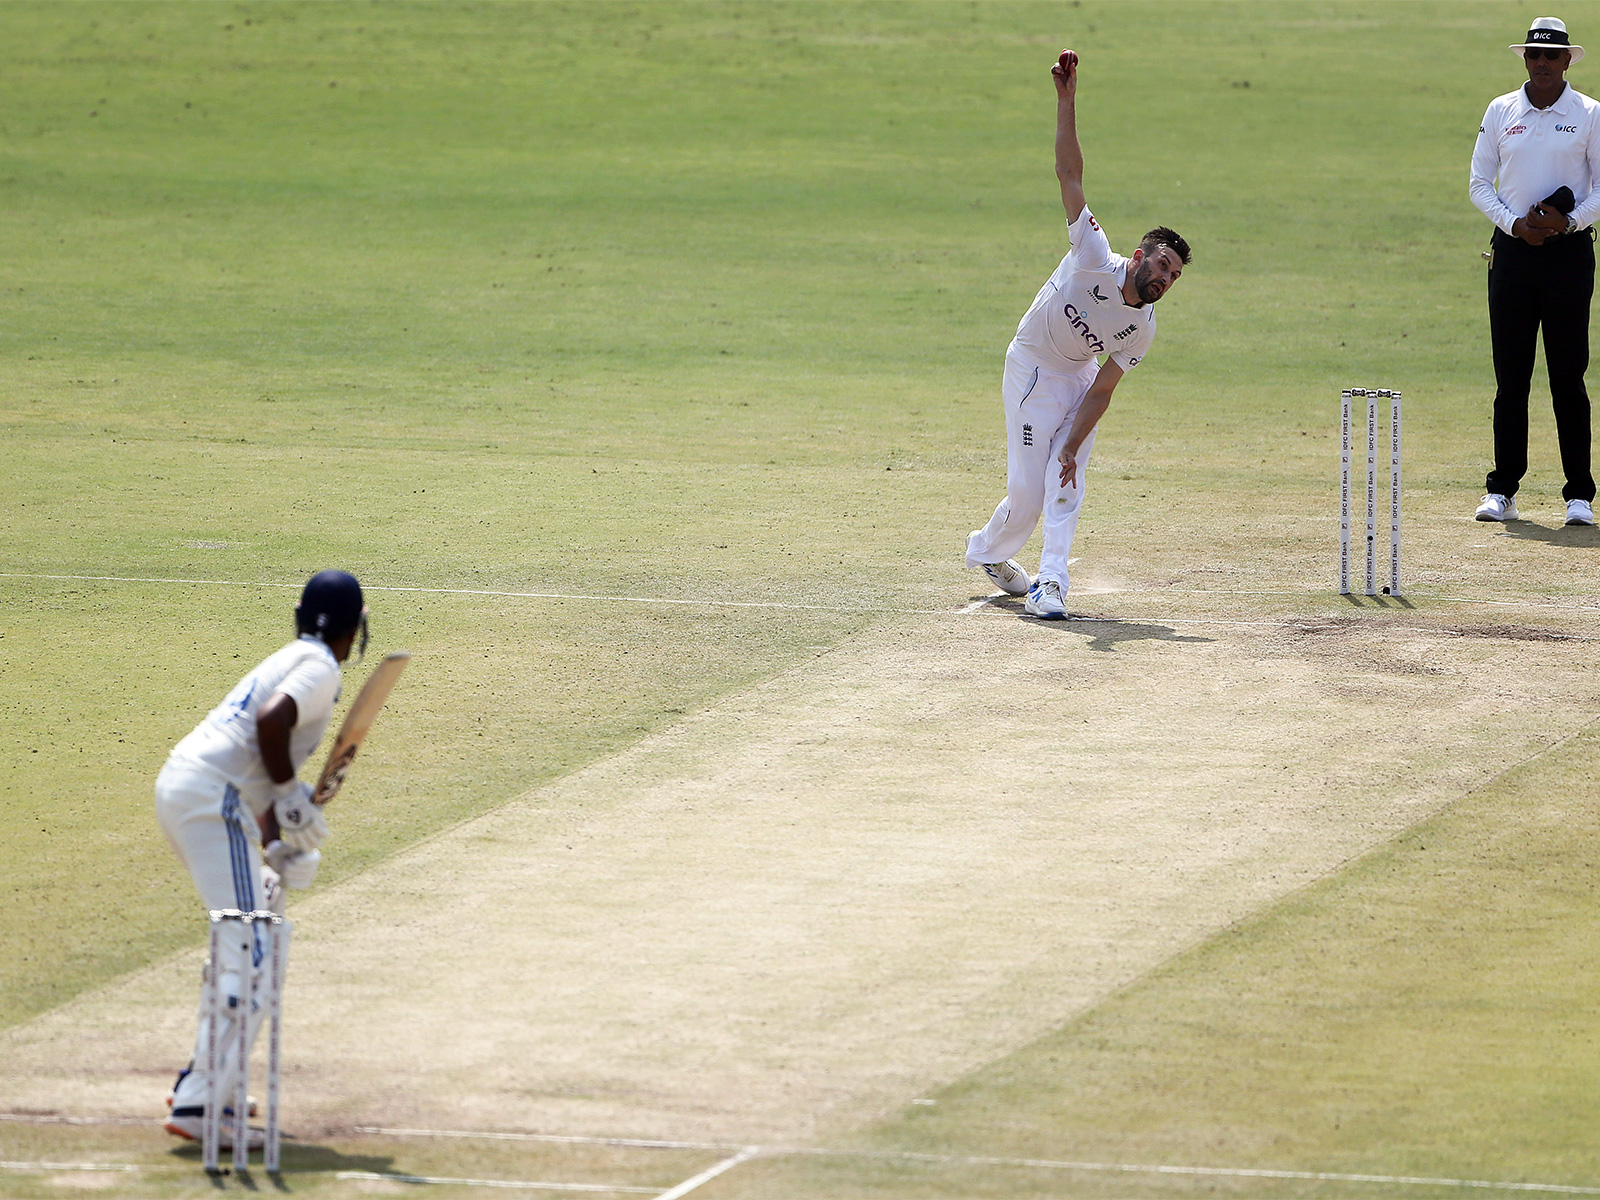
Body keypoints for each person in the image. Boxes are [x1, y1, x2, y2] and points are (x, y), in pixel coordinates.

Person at [964, 49, 1191, 618]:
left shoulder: (1142, 329)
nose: (1164, 278)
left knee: (1066, 478)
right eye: (1161, 264)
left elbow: (1104, 390)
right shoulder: (1092, 253)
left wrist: (1071, 444)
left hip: (1078, 380)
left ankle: (1051, 583)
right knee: (1027, 498)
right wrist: (1066, 103)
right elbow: (1069, 175)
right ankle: (989, 552)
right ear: (1139, 256)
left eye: (1173, 276)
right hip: (1032, 367)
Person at [155, 570, 368, 1147]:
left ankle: (204, 1082)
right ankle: (201, 1104)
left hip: (193, 787)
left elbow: (256, 752)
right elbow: (271, 721)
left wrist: (276, 843)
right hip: (210, 797)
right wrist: (293, 796)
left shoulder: (295, 654)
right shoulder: (321, 666)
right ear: (355, 630)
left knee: (251, 926)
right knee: (255, 944)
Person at [1470, 16, 1600, 526]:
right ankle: (1503, 489)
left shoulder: (1589, 113)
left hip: (1568, 256)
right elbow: (1480, 182)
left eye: (1551, 56)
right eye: (1533, 55)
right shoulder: (1502, 109)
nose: (1541, 63)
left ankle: (1579, 495)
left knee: (1569, 376)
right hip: (1514, 254)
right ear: (1524, 59)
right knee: (1511, 378)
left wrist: (1567, 221)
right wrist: (1514, 225)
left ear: (1568, 59)